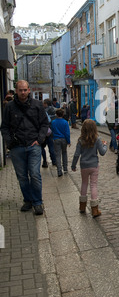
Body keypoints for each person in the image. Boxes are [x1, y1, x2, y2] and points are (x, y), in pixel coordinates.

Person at [0, 80, 49, 215]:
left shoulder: (37, 105)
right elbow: (4, 127)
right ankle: (28, 200)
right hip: (17, 148)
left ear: (29, 90)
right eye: (20, 90)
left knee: (34, 174)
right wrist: (10, 143)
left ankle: (38, 203)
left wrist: (39, 140)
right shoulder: (9, 107)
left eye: (25, 90)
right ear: (16, 91)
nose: (22, 92)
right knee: (22, 176)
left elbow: (44, 124)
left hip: (33, 146)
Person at [71, 119, 107, 217]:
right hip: (94, 165)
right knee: (93, 185)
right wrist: (105, 145)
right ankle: (95, 210)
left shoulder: (80, 140)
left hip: (84, 166)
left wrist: (73, 165)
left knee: (84, 183)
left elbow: (76, 154)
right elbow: (102, 152)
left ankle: (82, 207)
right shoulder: (97, 139)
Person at [51, 108, 71, 177]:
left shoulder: (53, 122)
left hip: (56, 139)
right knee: (64, 153)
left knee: (58, 155)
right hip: (64, 139)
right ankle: (65, 168)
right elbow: (67, 133)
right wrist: (68, 141)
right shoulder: (65, 122)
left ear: (56, 114)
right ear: (63, 114)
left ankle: (59, 170)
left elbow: (52, 131)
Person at [42, 99, 57, 167]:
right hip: (50, 131)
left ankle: (45, 162)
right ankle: (54, 161)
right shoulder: (54, 110)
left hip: (43, 132)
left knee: (42, 147)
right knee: (51, 147)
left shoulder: (44, 111)